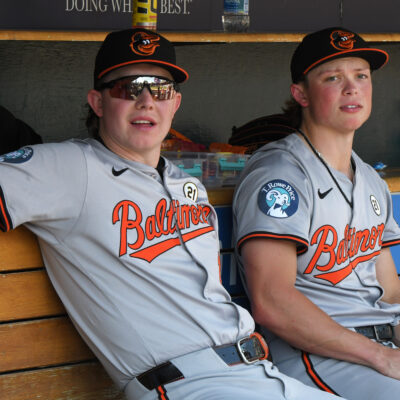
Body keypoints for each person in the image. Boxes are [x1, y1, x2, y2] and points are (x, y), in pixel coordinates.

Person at [0, 28, 342, 400]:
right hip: (186, 384)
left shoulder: (184, 185)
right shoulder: (70, 167)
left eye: (159, 89)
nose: (146, 101)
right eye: (128, 88)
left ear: (175, 104)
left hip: (258, 372)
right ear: (98, 103)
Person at [232, 26, 400, 399]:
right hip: (316, 354)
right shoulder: (280, 175)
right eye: (333, 78)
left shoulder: (371, 178)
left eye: (361, 76)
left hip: (379, 347)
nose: (352, 88)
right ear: (301, 94)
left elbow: (389, 291)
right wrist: (381, 358)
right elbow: (272, 301)